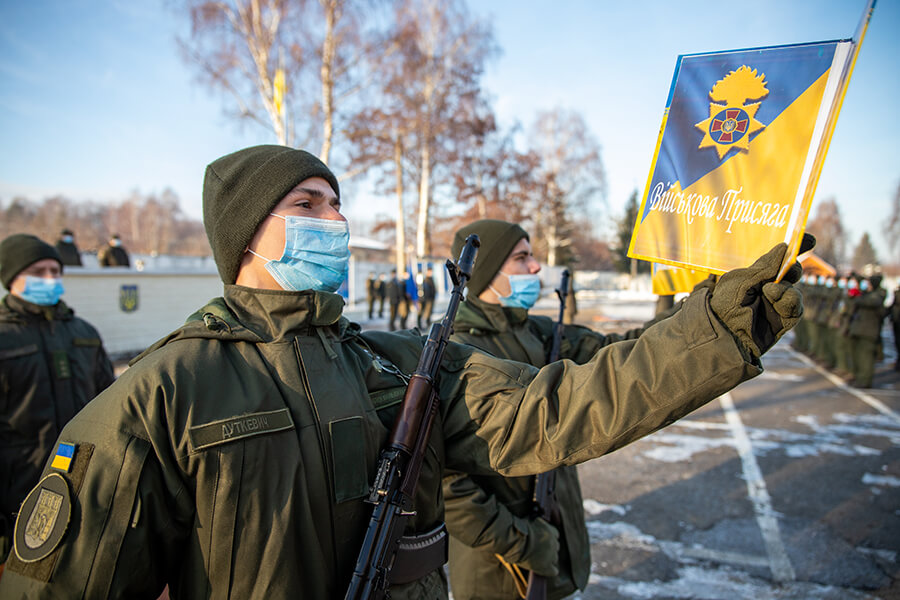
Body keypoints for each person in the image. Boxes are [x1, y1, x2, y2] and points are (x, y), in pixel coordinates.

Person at [0, 145, 808, 599]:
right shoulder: (162, 392)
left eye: (337, 202)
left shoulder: (390, 365)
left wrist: (723, 322)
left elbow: (562, 407)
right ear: (249, 234)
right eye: (309, 205)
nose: (338, 221)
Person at [441, 220, 676, 600]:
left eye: (532, 256)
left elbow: (627, 351)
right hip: (498, 572)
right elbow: (448, 487)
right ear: (486, 272)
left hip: (556, 546)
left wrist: (703, 305)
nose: (536, 267)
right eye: (522, 258)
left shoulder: (537, 333)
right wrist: (525, 541)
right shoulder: (455, 353)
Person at [0, 234, 115, 566]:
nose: (50, 279)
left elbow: (110, 405)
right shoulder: (4, 338)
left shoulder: (83, 332)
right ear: (12, 278)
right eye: (39, 271)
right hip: (18, 494)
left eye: (55, 270)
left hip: (85, 485)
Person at [846, 274, 887, 387]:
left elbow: (868, 302)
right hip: (860, 330)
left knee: (866, 358)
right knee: (859, 356)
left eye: (868, 283)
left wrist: (857, 295)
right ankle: (859, 378)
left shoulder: (877, 295)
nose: (866, 286)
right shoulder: (867, 294)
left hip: (869, 332)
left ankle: (865, 381)